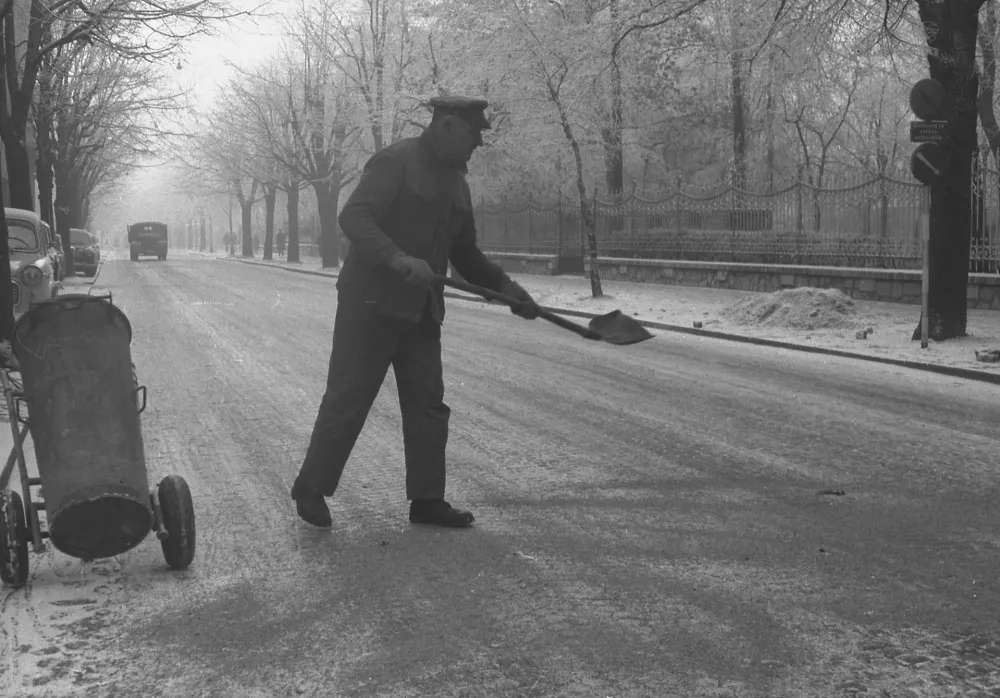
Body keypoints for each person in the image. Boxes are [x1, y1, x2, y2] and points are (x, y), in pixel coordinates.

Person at [290, 95, 540, 529]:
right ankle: (310, 488)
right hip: (370, 305)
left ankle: (427, 500)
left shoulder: (458, 184)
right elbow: (354, 217)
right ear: (447, 126)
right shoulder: (396, 161)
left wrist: (506, 289)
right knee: (349, 398)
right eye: (474, 133)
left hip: (421, 311)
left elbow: (465, 253)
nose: (478, 143)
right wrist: (398, 258)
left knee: (428, 406)